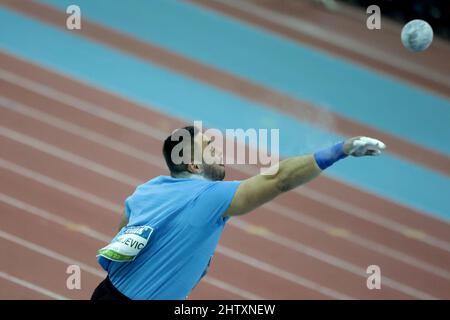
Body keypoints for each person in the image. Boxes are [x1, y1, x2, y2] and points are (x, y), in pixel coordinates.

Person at [91, 126, 385, 300]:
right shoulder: (210, 195)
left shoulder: (146, 191)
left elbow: (121, 242)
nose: (218, 151)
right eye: (209, 147)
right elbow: (279, 179)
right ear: (193, 165)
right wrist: (340, 150)